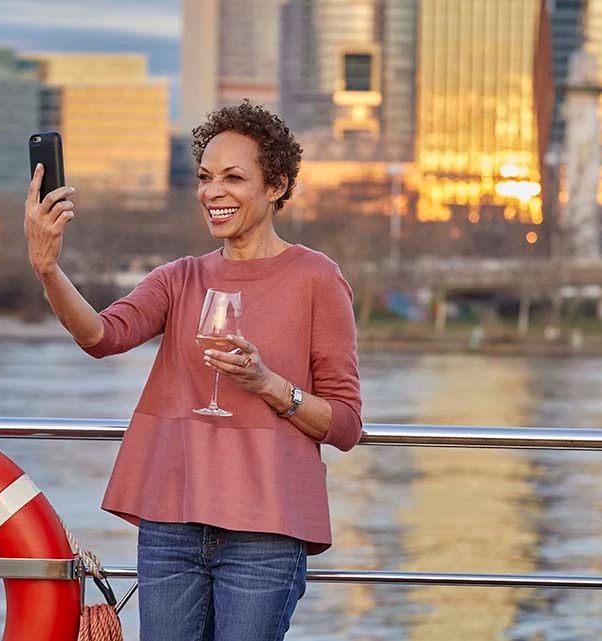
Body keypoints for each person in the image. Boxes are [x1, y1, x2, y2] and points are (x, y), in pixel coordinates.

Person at [23, 101, 362, 641]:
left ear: (275, 185)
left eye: (233, 177)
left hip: (265, 534)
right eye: (205, 177)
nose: (212, 192)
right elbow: (100, 336)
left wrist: (267, 384)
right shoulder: (180, 277)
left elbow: (344, 424)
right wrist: (47, 266)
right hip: (171, 528)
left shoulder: (318, 278)